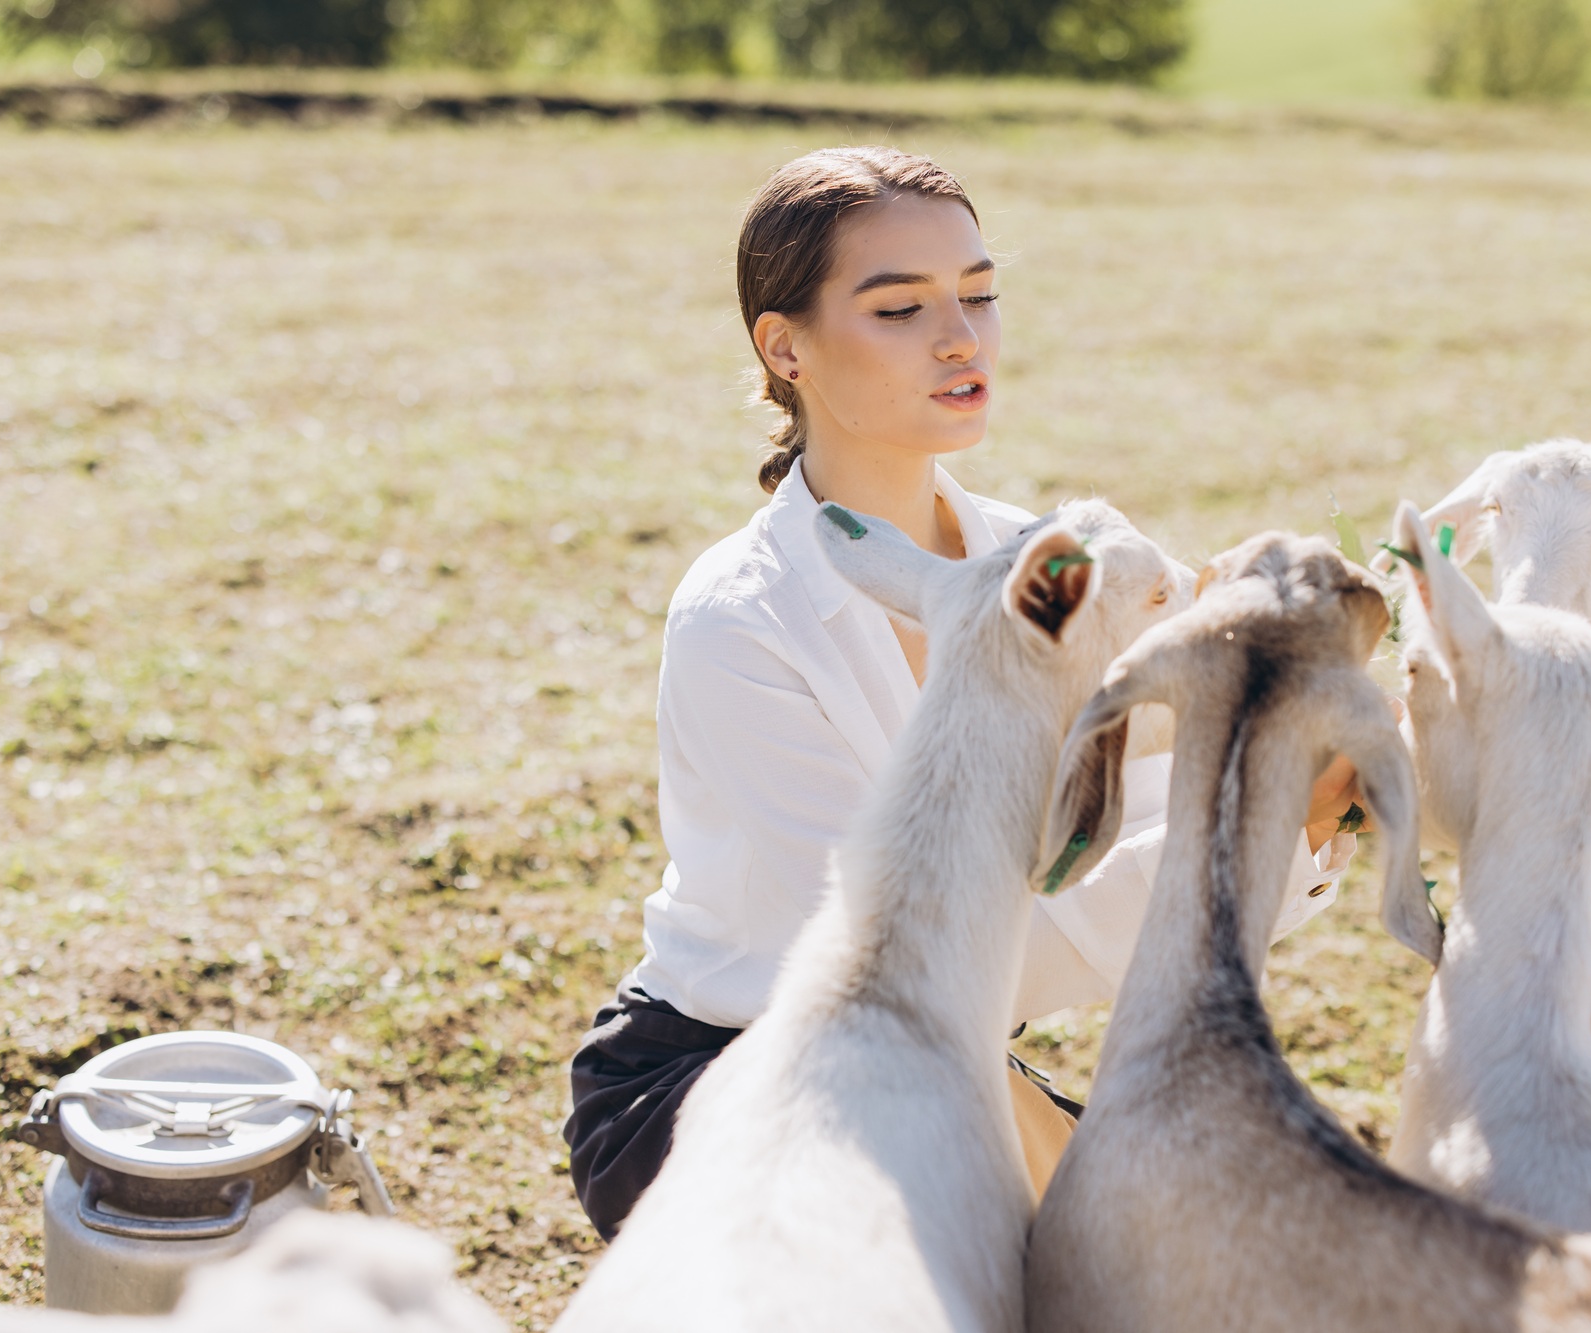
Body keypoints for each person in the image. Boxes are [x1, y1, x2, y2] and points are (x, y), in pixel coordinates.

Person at [561, 146, 1361, 1241]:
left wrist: (1297, 780)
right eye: (898, 309)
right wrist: (1240, 838)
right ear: (782, 345)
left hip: (933, 1073)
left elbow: (1160, 773)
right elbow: (891, 975)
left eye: (978, 296)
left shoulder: (1055, 562)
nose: (959, 338)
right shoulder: (737, 618)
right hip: (723, 1082)